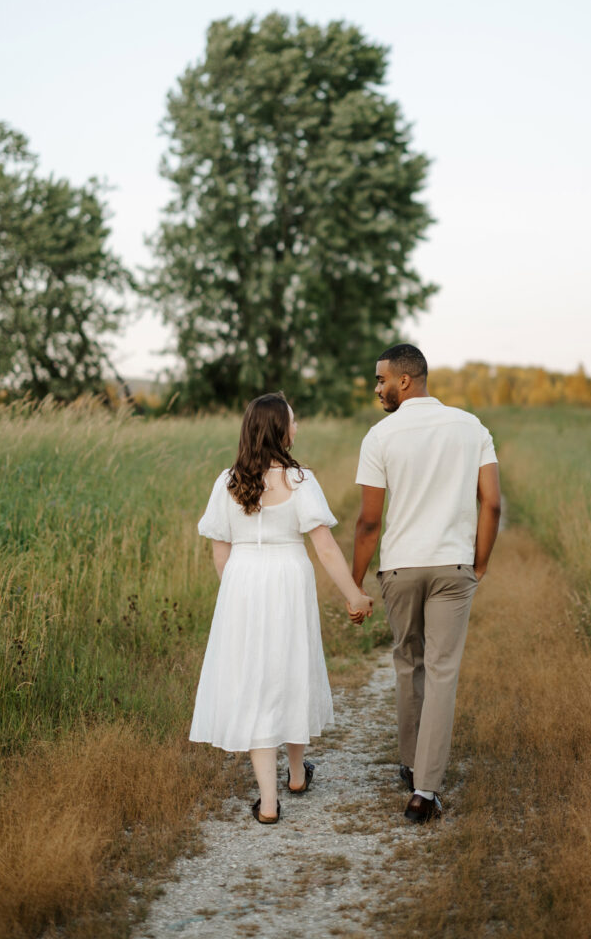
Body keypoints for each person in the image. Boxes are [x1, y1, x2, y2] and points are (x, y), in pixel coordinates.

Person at [190, 392, 373, 824]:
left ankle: (269, 802)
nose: (298, 428)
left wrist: (236, 594)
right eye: (292, 421)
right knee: (290, 671)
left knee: (256, 682)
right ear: (278, 430)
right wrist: (354, 595)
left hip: (243, 581)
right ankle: (295, 774)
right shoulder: (299, 480)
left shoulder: (227, 481)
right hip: (289, 578)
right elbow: (324, 548)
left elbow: (221, 553)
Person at [350, 344, 501, 823]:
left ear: (405, 381)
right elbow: (492, 504)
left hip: (400, 567)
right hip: (452, 566)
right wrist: (478, 564)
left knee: (408, 662)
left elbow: (369, 523)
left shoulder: (380, 436)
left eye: (381, 380)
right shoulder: (471, 427)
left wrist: (355, 584)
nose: (377, 389)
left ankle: (412, 763)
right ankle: (426, 791)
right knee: (441, 671)